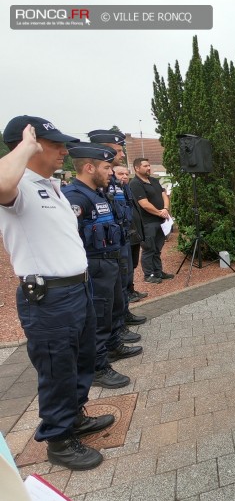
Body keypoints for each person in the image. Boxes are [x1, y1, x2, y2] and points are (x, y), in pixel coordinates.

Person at [0, 116, 114, 470]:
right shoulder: (18, 187)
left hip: (77, 289)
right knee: (57, 369)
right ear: (26, 146)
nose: (65, 151)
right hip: (49, 299)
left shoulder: (50, 185)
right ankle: (59, 439)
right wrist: (26, 146)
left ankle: (74, 417)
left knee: (80, 361)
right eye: (55, 144)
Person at [63, 142, 143, 389]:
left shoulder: (97, 193)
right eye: (107, 167)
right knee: (98, 316)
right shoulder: (75, 197)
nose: (112, 172)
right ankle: (98, 368)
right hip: (94, 264)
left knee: (110, 309)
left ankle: (112, 346)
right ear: (89, 167)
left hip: (109, 260)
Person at [88, 130, 146, 336]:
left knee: (124, 281)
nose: (122, 155)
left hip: (122, 238)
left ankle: (122, 319)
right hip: (105, 246)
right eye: (118, 150)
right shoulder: (96, 185)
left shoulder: (115, 183)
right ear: (103, 150)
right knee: (111, 289)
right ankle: (115, 330)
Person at [129, 157, 173, 283]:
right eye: (145, 166)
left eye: (149, 165)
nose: (149, 168)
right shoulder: (135, 184)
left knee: (157, 248)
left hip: (160, 221)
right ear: (137, 168)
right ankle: (149, 275)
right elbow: (144, 204)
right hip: (147, 223)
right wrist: (160, 213)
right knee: (148, 249)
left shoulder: (154, 180)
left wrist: (165, 208)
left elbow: (164, 195)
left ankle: (158, 272)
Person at [114, 165, 147, 303]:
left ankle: (131, 289)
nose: (125, 176)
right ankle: (127, 293)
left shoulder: (127, 189)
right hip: (123, 236)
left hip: (134, 234)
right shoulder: (112, 192)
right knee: (125, 266)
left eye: (127, 174)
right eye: (120, 173)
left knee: (132, 264)